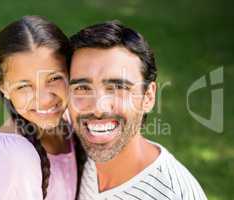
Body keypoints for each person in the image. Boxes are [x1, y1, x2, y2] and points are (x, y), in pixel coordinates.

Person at [68, 21, 208, 200]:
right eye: (82, 88)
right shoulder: (75, 153)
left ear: (148, 97)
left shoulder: (173, 194)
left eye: (118, 87)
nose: (98, 107)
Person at [0, 16, 86, 200]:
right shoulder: (16, 156)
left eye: (53, 78)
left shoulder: (69, 120)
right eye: (24, 86)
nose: (44, 100)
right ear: (3, 87)